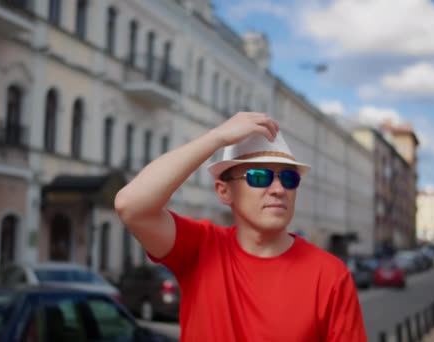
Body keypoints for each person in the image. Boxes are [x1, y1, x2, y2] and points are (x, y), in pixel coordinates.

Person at [114, 112, 367, 341]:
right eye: (259, 176)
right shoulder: (201, 249)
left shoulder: (330, 275)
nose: (279, 190)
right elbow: (130, 205)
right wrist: (217, 137)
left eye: (289, 178)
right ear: (224, 192)